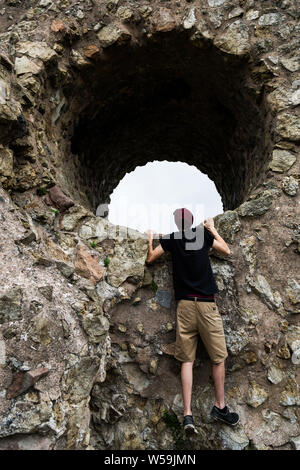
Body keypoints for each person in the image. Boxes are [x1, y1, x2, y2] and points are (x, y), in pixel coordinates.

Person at [146, 208, 239, 434]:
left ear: (176, 224)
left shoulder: (172, 239)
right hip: (207, 304)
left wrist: (150, 238)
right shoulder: (202, 235)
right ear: (192, 222)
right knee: (218, 358)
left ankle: (188, 415)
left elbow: (150, 258)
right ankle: (220, 407)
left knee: (186, 360)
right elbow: (226, 250)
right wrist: (212, 229)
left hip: (185, 306)